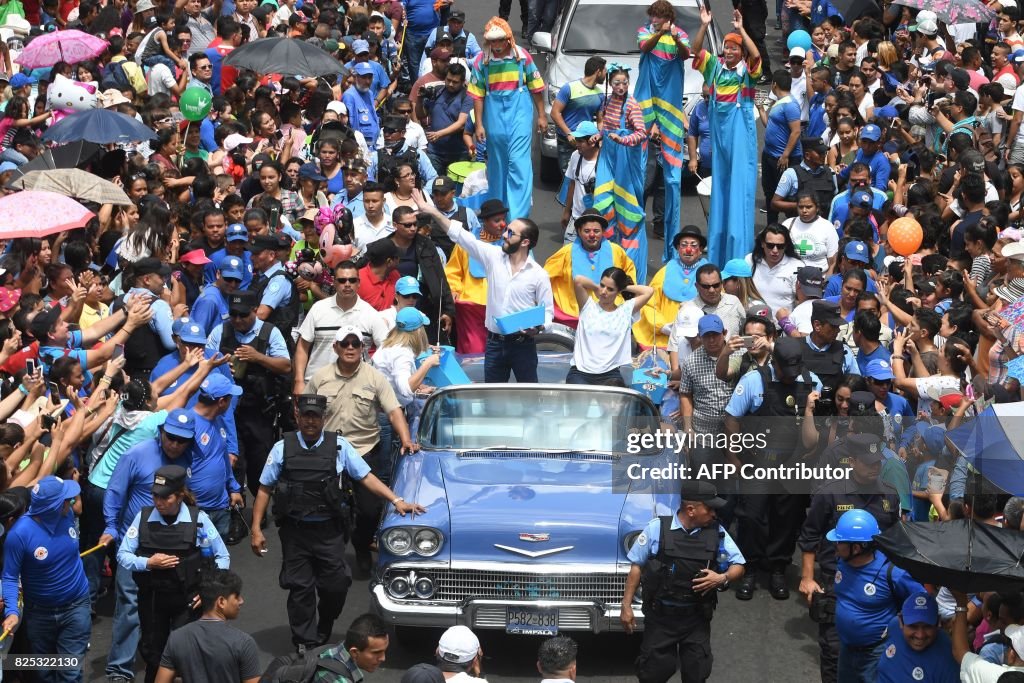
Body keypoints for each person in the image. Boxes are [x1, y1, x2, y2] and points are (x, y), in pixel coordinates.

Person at [249, 394, 424, 651]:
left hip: (329, 532)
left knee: (336, 586)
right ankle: (305, 643)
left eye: (315, 416)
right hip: (295, 532)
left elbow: (366, 477)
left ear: (324, 418)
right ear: (297, 416)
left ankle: (325, 622)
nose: (310, 421)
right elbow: (264, 488)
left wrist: (397, 500)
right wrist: (255, 528)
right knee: (300, 589)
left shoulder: (339, 446)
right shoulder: (281, 448)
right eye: (305, 415)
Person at [306, 327, 418, 574]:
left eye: (355, 343)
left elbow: (393, 411)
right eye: (344, 343)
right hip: (327, 451)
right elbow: (305, 415)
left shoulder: (375, 378)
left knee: (371, 510)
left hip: (364, 450)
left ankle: (361, 543)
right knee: (318, 507)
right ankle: (322, 554)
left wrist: (406, 439)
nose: (349, 348)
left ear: (362, 348)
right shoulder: (319, 377)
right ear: (335, 347)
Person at [102, 409, 199, 683]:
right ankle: (120, 670)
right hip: (137, 545)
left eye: (182, 440)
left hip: (176, 545)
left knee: (170, 608)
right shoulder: (136, 454)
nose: (175, 444)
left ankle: (166, 666)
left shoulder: (188, 457)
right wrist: (111, 525)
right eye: (171, 438)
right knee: (130, 606)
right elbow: (115, 492)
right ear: (161, 433)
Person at [723, 337, 821, 601]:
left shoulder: (812, 383)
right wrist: (733, 455)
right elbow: (732, 418)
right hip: (758, 462)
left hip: (794, 466)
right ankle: (750, 568)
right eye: (784, 371)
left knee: (787, 519)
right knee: (751, 517)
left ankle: (778, 567)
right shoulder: (754, 380)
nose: (790, 378)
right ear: (774, 363)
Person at [797, 440, 902, 683]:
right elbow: (810, 535)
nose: (874, 468)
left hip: (879, 583)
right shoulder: (830, 493)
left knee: (879, 654)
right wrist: (807, 577)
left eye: (877, 463)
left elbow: (896, 540)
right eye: (867, 463)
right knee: (834, 652)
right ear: (852, 462)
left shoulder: (889, 494)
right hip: (837, 580)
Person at [621, 480, 746, 683]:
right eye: (710, 508)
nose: (714, 514)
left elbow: (739, 565)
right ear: (691, 509)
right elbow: (637, 566)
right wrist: (626, 606)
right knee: (653, 673)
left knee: (697, 673)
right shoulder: (657, 529)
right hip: (661, 618)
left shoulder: (717, 533)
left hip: (696, 619)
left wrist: (722, 577)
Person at [116, 464, 230, 683]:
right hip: (153, 598)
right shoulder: (143, 518)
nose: (159, 502)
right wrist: (149, 562)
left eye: (165, 497)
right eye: (155, 496)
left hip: (186, 600)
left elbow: (222, 557)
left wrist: (209, 591)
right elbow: (123, 555)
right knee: (153, 653)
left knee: (187, 655)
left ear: (179, 496)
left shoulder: (199, 519)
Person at [423, 200, 553, 383]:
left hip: (523, 346)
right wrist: (431, 211)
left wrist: (538, 327)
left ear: (525, 242)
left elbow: (547, 312)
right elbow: (461, 236)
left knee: (528, 395)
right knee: (492, 396)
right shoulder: (493, 257)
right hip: (494, 344)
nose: (505, 234)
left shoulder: (539, 275)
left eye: (511, 233)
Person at [1, 476, 91, 683]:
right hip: (39, 613)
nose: (70, 502)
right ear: (53, 506)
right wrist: (12, 612)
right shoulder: (19, 535)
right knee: (44, 673)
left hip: (76, 606)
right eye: (65, 499)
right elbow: (10, 576)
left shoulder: (67, 517)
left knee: (70, 673)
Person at [691, 6, 761, 266]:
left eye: (734, 48)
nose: (729, 51)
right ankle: (719, 251)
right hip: (720, 138)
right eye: (727, 47)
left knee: (739, 186)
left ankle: (740, 250)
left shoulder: (746, 74)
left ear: (740, 52)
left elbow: (756, 56)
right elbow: (695, 50)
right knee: (720, 189)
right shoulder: (715, 69)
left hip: (740, 133)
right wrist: (703, 25)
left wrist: (741, 29)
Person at [209, 290, 292, 500]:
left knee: (259, 464)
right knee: (233, 461)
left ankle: (259, 510)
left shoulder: (269, 332)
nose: (237, 320)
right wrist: (220, 365)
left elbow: (285, 365)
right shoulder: (221, 331)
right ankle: (236, 511)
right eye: (234, 314)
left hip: (259, 411)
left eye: (243, 315)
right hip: (227, 411)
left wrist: (257, 357)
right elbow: (204, 364)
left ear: (255, 311)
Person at [827, 509, 925, 682]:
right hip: (847, 651)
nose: (835, 544)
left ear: (856, 548)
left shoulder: (893, 573)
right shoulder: (842, 561)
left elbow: (922, 603)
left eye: (839, 541)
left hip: (876, 655)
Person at [468, 17, 546, 220]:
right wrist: (479, 125)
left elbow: (536, 88)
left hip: (519, 114)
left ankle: (518, 217)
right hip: (493, 117)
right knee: (497, 165)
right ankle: (498, 214)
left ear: (508, 39)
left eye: (500, 40)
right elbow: (478, 95)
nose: (496, 45)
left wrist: (542, 116)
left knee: (519, 164)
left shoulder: (522, 57)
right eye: (492, 41)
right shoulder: (481, 61)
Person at [635, 0, 689, 254]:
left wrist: (674, 35)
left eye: (660, 16)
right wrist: (660, 31)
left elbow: (686, 54)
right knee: (642, 171)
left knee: (671, 177)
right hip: (645, 106)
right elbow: (645, 47)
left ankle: (669, 234)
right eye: (653, 15)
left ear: (668, 17)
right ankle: (633, 222)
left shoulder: (680, 35)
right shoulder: (646, 31)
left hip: (669, 111)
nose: (655, 19)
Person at [293, 261, 389, 394]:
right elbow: (303, 347)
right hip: (317, 387)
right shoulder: (318, 309)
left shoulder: (371, 314)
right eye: (342, 280)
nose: (347, 284)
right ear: (334, 282)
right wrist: (299, 381)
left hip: (356, 390)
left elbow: (386, 351)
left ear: (359, 283)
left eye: (352, 280)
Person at [155, 570, 262, 683]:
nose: (241, 601)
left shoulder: (176, 638)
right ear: (221, 602)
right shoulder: (243, 643)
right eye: (236, 596)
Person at [544, 210, 638, 327]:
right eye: (587, 231)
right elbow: (544, 276)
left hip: (610, 309)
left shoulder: (616, 251)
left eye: (596, 231)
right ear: (579, 231)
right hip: (575, 310)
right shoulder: (566, 252)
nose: (592, 235)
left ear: (603, 231)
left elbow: (629, 274)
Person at [569, 267, 653, 386]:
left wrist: (623, 286)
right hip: (580, 372)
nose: (604, 291)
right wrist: (595, 287)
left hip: (610, 374)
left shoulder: (625, 310)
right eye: (602, 285)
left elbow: (648, 291)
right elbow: (578, 280)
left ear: (618, 291)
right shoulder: (587, 306)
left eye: (610, 289)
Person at [442, 199, 506, 354]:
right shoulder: (468, 242)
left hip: (503, 305)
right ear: (484, 221)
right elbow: (453, 271)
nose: (503, 224)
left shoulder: (511, 241)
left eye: (504, 219)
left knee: (501, 351)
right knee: (473, 349)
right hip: (472, 305)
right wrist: (455, 289)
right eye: (497, 221)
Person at [634, 226, 710, 349]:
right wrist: (662, 326)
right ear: (678, 249)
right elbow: (648, 304)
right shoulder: (664, 272)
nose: (688, 249)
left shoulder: (710, 274)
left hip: (699, 339)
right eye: (684, 245)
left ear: (701, 249)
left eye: (693, 245)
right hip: (666, 339)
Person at [875, 592, 959, 683]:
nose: (920, 635)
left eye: (927, 626)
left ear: (938, 622)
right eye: (913, 626)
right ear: (901, 621)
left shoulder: (948, 656)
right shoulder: (893, 626)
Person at [549, 56, 606, 175]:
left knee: (584, 177)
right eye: (605, 71)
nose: (606, 75)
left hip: (587, 142)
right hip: (567, 141)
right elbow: (555, 113)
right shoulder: (569, 88)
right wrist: (568, 134)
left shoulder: (600, 94)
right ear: (598, 72)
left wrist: (600, 137)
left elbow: (600, 121)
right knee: (567, 177)